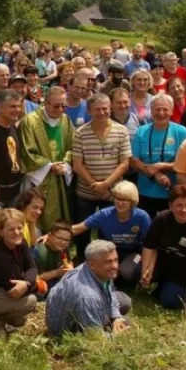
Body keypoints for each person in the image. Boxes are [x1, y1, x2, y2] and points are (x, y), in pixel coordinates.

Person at [71, 93, 132, 260]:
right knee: (83, 231)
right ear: (89, 111)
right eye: (97, 109)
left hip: (112, 192)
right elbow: (77, 165)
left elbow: (124, 163)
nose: (102, 112)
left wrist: (105, 185)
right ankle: (83, 261)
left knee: (108, 231)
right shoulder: (80, 133)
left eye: (105, 108)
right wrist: (96, 186)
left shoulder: (121, 131)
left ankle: (106, 261)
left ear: (110, 109)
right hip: (85, 193)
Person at [45, 240, 132, 337]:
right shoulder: (88, 296)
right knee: (126, 323)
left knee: (125, 302)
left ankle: (107, 319)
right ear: (92, 264)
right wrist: (114, 336)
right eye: (108, 262)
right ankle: (103, 322)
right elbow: (95, 338)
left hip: (81, 307)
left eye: (116, 260)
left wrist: (116, 316)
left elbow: (110, 290)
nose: (114, 266)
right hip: (67, 332)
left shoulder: (95, 269)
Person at [19, 87, 74, 232]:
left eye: (64, 106)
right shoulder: (30, 122)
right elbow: (27, 152)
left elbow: (72, 147)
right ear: (46, 103)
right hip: (38, 180)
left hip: (61, 177)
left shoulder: (66, 121)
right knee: (36, 218)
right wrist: (49, 166)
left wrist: (66, 164)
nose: (61, 110)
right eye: (56, 106)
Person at [71, 181, 150, 282]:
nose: (120, 203)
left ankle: (127, 278)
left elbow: (149, 243)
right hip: (112, 251)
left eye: (124, 200)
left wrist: (145, 266)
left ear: (132, 201)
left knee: (127, 271)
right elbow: (79, 228)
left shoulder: (142, 216)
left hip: (134, 252)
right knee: (98, 270)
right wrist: (52, 235)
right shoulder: (104, 214)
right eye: (117, 198)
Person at [130, 94, 186, 217]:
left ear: (172, 111)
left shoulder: (181, 131)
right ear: (151, 111)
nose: (161, 113)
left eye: (165, 109)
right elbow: (133, 160)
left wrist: (161, 166)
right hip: (145, 192)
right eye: (157, 109)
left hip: (173, 193)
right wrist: (155, 173)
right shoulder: (142, 131)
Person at [33, 220, 73, 293]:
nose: (63, 242)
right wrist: (57, 272)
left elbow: (69, 261)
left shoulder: (63, 248)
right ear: (50, 236)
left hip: (57, 279)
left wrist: (70, 266)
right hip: (43, 282)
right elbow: (36, 276)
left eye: (67, 240)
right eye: (59, 238)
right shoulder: (42, 252)